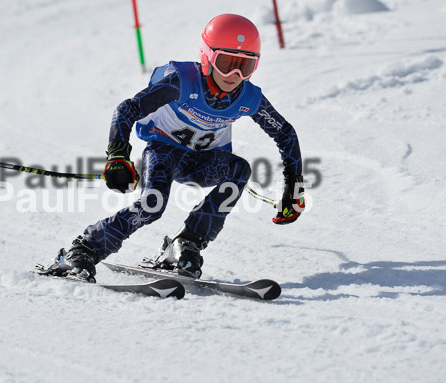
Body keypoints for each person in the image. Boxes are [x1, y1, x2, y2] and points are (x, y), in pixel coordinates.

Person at [47, 14, 304, 281]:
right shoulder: (183, 81)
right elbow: (127, 109)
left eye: (245, 67)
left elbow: (285, 133)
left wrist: (294, 188)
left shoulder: (249, 97)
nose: (234, 75)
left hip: (204, 162)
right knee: (151, 205)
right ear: (207, 57)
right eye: (226, 63)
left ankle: (188, 241)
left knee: (239, 170)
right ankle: (84, 248)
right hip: (165, 153)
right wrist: (118, 156)